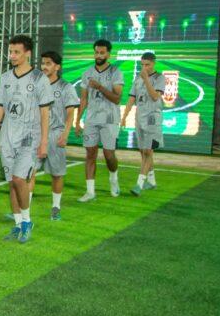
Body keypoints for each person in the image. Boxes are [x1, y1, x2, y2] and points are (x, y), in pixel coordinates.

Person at [0, 35, 52, 243]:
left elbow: (45, 113)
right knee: (12, 183)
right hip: (7, 138)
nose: (12, 56)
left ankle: (26, 222)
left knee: (19, 179)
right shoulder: (5, 78)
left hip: (29, 138)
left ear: (28, 53)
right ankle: (17, 224)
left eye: (16, 52)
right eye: (10, 52)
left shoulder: (39, 79)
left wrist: (44, 142)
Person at [75, 39, 124, 201]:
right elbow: (84, 99)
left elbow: (117, 98)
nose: (98, 55)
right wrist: (77, 121)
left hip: (110, 119)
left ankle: (113, 178)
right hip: (91, 120)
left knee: (109, 155)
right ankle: (90, 192)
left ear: (108, 54)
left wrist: (100, 87)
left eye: (102, 53)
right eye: (96, 52)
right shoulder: (87, 73)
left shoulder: (116, 72)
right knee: (90, 154)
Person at [35, 51, 80, 220]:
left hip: (55, 134)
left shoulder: (65, 87)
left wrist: (65, 133)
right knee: (28, 171)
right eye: (43, 63)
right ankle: (23, 209)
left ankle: (56, 207)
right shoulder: (37, 85)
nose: (44, 66)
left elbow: (70, 113)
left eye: (48, 63)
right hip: (37, 134)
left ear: (57, 67)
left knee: (57, 173)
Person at [122, 51, 165, 196]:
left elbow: (155, 97)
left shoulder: (159, 78)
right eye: (142, 65)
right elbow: (131, 98)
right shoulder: (137, 79)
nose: (144, 67)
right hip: (139, 118)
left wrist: (146, 79)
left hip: (152, 118)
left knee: (148, 151)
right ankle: (151, 181)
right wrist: (124, 116)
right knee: (142, 151)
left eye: (147, 65)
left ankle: (139, 184)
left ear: (153, 63)